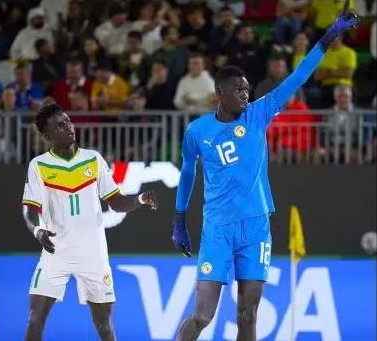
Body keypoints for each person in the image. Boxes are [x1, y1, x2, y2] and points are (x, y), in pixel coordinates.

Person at [171, 5, 358, 341]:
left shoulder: (258, 114)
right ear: (221, 94)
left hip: (257, 227)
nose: (246, 94)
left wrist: (328, 37)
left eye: (247, 89)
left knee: (248, 313)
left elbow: (298, 77)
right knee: (202, 315)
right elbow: (187, 172)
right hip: (217, 228)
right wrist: (179, 219)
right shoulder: (198, 131)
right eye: (239, 90)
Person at [22, 103, 158, 341]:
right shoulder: (39, 165)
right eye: (60, 126)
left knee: (105, 326)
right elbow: (29, 209)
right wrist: (37, 231)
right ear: (47, 136)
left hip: (93, 255)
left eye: (68, 122)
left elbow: (116, 202)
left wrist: (140, 199)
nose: (68, 127)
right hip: (56, 252)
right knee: (34, 321)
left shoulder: (93, 160)